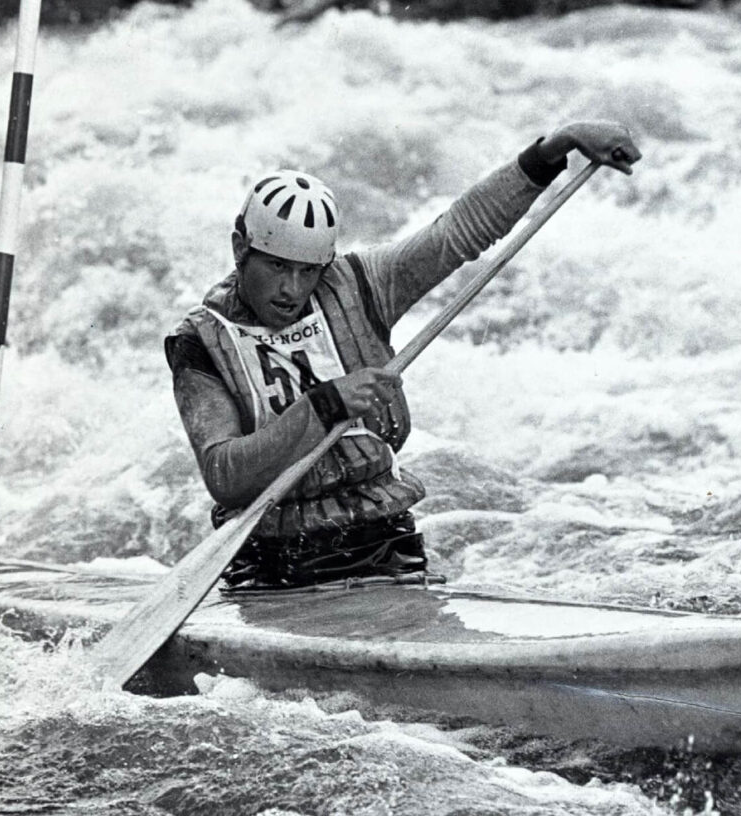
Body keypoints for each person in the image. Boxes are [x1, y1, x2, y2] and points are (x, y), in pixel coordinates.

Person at [165, 122, 641, 589]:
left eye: (308, 271)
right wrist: (324, 405)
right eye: (276, 266)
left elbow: (457, 232)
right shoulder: (200, 341)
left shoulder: (362, 285)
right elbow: (226, 477)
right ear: (239, 249)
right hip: (271, 562)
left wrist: (558, 145)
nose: (292, 289)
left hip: (382, 543)